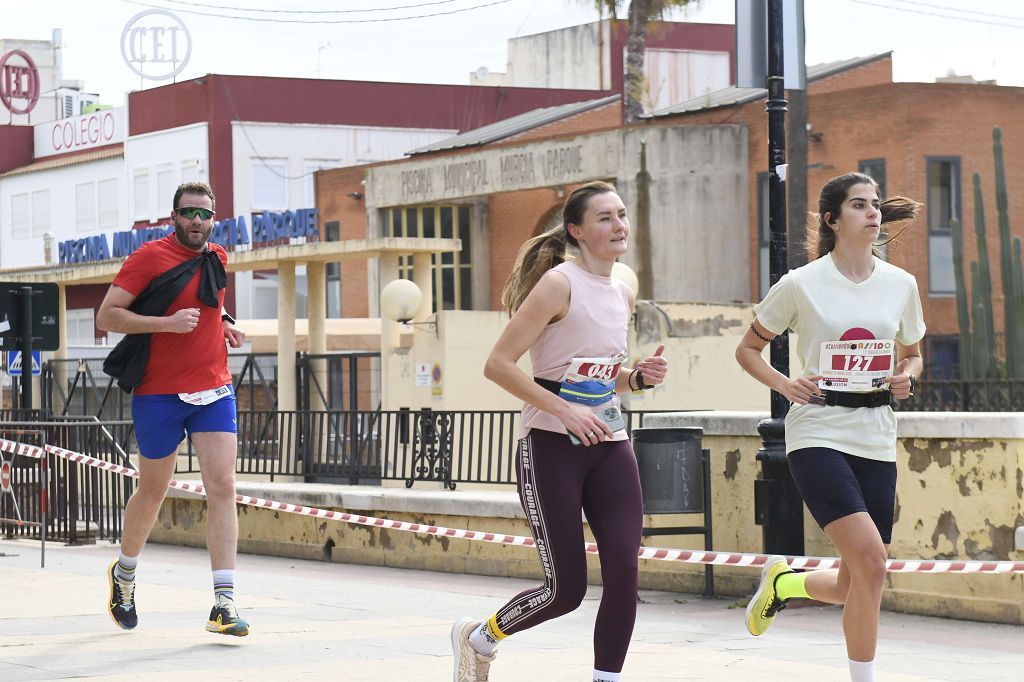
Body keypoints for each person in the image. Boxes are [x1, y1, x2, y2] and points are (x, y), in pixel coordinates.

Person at [450, 181, 669, 682]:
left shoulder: (624, 288)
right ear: (577, 230)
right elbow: (498, 364)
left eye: (621, 216)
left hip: (609, 444)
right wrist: (565, 411)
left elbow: (594, 368)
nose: (619, 226)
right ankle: (480, 638)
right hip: (550, 446)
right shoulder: (558, 284)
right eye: (605, 218)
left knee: (625, 571)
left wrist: (635, 377)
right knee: (566, 591)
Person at [735, 172, 925, 682]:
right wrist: (786, 383)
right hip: (817, 431)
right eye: (859, 205)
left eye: (876, 205)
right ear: (832, 220)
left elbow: (912, 356)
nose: (872, 213)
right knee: (871, 561)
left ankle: (785, 585)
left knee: (855, 578)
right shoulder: (801, 283)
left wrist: (906, 377)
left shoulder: (900, 285)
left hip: (876, 433)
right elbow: (747, 349)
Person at [97, 181, 249, 636]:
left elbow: (207, 303)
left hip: (213, 389)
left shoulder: (218, 257)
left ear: (213, 219)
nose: (197, 222)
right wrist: (165, 325)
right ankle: (124, 575)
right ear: (174, 216)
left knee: (222, 485)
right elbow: (107, 316)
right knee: (154, 491)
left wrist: (224, 324)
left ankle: (224, 603)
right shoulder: (147, 257)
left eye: (205, 215)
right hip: (158, 393)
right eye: (189, 213)